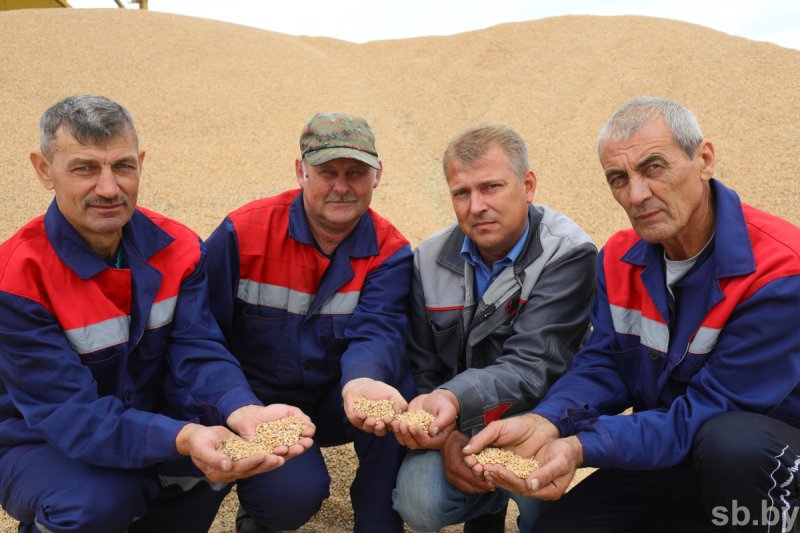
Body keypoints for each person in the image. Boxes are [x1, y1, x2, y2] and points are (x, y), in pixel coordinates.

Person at [465, 96, 800, 532]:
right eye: (618, 178)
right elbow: (604, 364)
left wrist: (582, 447)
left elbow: (711, 411)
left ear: (704, 159)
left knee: (731, 444)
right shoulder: (619, 259)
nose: (637, 194)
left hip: (765, 465)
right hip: (675, 457)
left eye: (653, 167)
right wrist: (548, 421)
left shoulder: (779, 271)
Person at [0, 95, 314, 533]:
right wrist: (181, 437)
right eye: (85, 168)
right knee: (99, 498)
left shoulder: (178, 248)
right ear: (43, 169)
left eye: (123, 166)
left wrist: (240, 409)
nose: (109, 188)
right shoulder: (17, 275)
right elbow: (67, 413)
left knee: (219, 450)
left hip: (151, 418)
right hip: (39, 439)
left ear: (141, 163)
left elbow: (198, 349)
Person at [204, 112, 416, 533]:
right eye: (327, 172)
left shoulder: (391, 251)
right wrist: (235, 406)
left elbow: (378, 330)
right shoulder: (242, 233)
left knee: (399, 394)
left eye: (355, 172)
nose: (341, 186)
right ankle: (259, 511)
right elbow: (201, 333)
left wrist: (364, 381)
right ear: (301, 171)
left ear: (377, 176)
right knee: (291, 495)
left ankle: (377, 523)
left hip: (338, 398)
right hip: (256, 404)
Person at [390, 124, 597, 533]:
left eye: (491, 187)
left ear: (529, 185)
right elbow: (420, 365)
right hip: (458, 421)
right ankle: (486, 507)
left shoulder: (569, 253)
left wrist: (451, 398)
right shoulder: (428, 258)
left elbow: (533, 365)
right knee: (419, 501)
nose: (476, 205)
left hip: (541, 419)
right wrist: (448, 437)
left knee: (550, 516)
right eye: (462, 193)